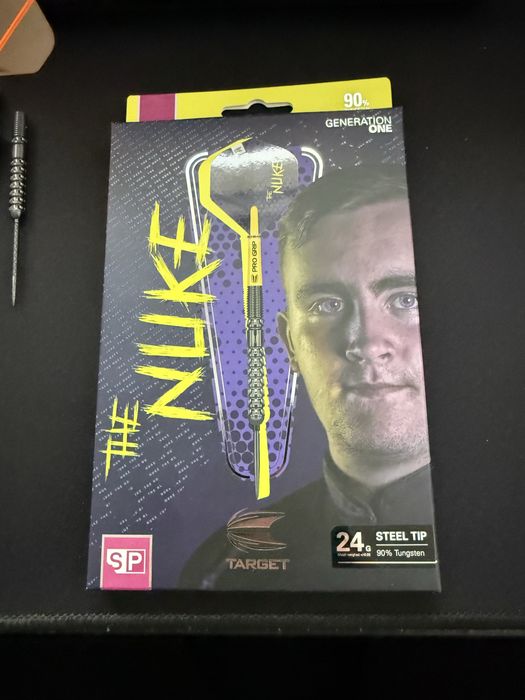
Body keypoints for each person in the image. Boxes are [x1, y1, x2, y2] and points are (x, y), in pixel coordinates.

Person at [178, 166, 439, 591]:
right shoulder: (222, 572)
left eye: (406, 299)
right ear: (290, 344)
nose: (366, 342)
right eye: (327, 305)